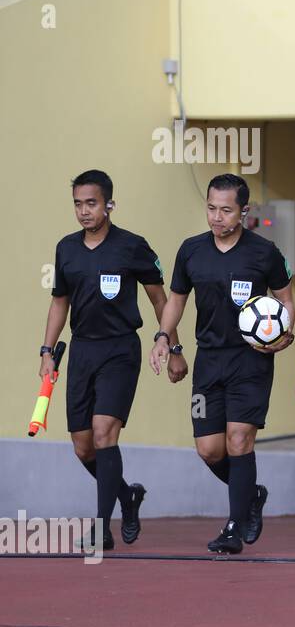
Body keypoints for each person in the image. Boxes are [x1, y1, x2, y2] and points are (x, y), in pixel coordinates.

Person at [150, 174, 295, 553]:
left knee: (238, 439)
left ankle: (234, 524)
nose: (216, 217)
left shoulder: (265, 252)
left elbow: (285, 301)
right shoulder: (191, 250)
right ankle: (250, 494)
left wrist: (282, 335)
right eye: (211, 208)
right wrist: (165, 338)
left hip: (251, 361)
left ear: (244, 212)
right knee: (210, 449)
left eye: (226, 210)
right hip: (208, 360)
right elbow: (176, 300)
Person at [41, 170, 173, 550]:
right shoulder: (66, 248)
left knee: (103, 432)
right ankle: (127, 496)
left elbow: (160, 300)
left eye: (92, 203)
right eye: (78, 204)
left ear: (109, 204)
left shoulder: (132, 246)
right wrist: (47, 352)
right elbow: (59, 303)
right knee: (83, 445)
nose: (84, 211)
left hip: (119, 350)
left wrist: (171, 347)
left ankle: (101, 527)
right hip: (81, 350)